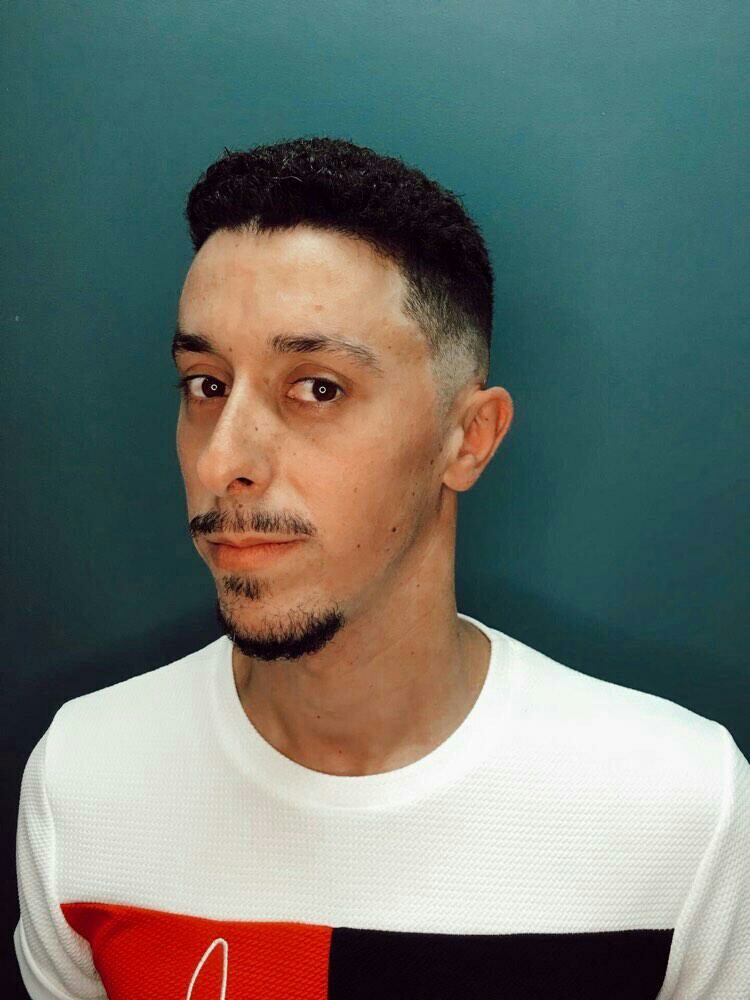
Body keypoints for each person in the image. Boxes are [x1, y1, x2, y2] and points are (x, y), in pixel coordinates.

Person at [14, 136, 748, 999]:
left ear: (467, 438)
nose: (221, 462)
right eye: (206, 384)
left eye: (317, 388)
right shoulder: (85, 779)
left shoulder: (681, 809)